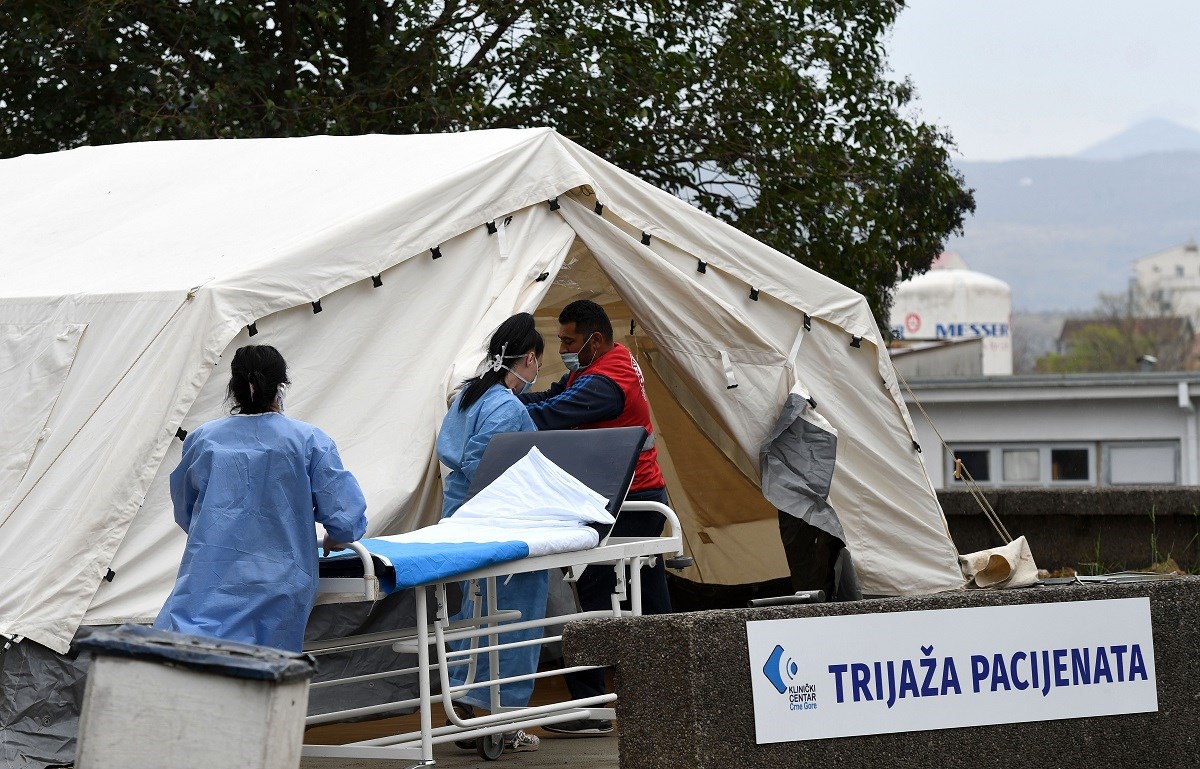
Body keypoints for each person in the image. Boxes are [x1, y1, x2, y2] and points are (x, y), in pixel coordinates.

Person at [519, 299, 671, 735]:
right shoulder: (606, 364)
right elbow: (555, 392)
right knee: (653, 601)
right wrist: (510, 395)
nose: (563, 347)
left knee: (591, 592)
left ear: (594, 339)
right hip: (638, 496)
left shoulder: (605, 383)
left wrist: (497, 411)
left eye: (568, 340)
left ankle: (589, 706)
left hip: (626, 503)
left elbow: (551, 414)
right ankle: (676, 689)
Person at [155, 345, 368, 653]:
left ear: (234, 388)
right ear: (281, 386)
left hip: (208, 579)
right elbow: (345, 517)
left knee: (193, 669)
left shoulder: (203, 439)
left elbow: (186, 510)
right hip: (281, 583)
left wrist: (219, 534)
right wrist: (336, 536)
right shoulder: (308, 440)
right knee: (264, 677)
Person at [436, 312, 545, 754]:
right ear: (530, 358)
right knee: (511, 620)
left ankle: (464, 703)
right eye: (539, 361)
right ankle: (502, 716)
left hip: (461, 519)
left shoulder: (468, 396)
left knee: (471, 619)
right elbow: (486, 464)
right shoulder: (505, 406)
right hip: (495, 524)